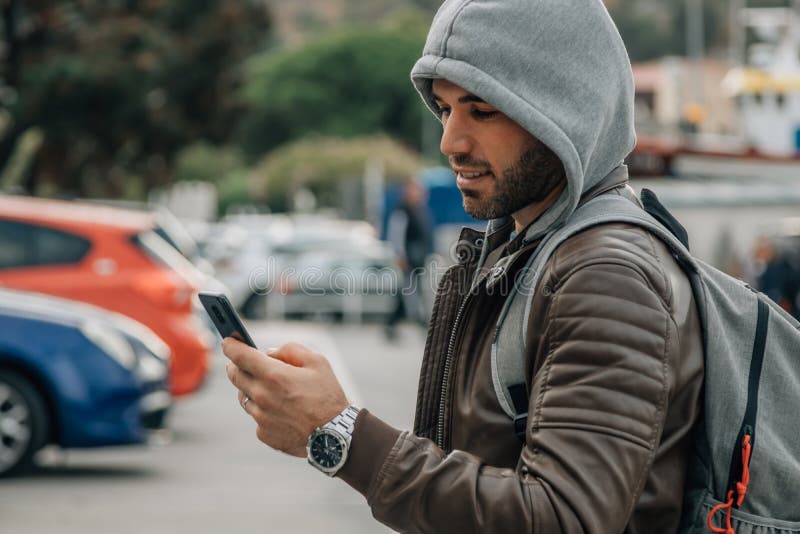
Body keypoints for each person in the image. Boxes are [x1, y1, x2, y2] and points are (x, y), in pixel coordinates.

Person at [222, 1, 704, 532]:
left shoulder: (606, 275)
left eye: (482, 109)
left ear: (565, 112)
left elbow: (565, 518)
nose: (451, 141)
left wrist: (338, 433)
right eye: (447, 108)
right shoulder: (529, 250)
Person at [384, 178, 434, 339]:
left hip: (418, 259)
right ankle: (422, 324)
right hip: (408, 260)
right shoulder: (402, 211)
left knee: (406, 294)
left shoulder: (420, 210)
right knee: (410, 293)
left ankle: (392, 324)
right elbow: (396, 234)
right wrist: (399, 256)